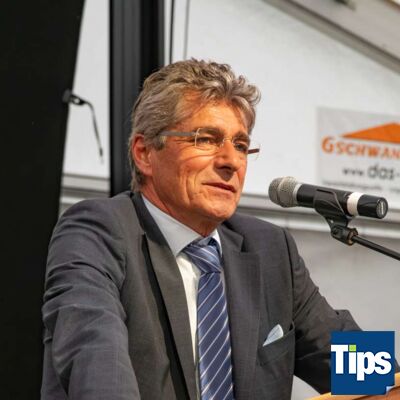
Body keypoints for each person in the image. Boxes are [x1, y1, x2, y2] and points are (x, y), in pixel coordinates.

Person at [41, 59, 360, 400]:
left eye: (241, 146)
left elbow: (367, 371)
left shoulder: (270, 247)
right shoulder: (96, 231)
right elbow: (96, 359)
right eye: (206, 139)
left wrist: (387, 376)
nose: (231, 161)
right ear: (145, 153)